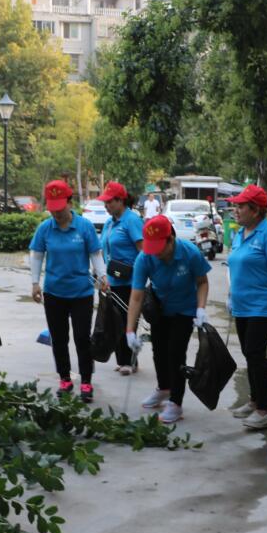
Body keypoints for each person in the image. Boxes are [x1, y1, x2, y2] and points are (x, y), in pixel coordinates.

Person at [124, 215, 211, 424]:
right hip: (160, 309)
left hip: (185, 309)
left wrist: (200, 308)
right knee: (159, 352)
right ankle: (164, 388)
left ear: (171, 239)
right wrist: (130, 331)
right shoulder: (145, 257)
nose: (156, 253)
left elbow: (202, 282)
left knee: (175, 353)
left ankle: (176, 402)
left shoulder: (190, 253)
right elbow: (136, 296)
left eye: (159, 248)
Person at [29, 179, 107, 402]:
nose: (56, 213)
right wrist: (35, 283)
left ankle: (86, 381)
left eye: (60, 208)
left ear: (70, 203)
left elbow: (95, 254)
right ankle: (64, 378)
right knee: (59, 338)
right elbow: (37, 255)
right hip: (54, 293)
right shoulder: (45, 228)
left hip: (81, 293)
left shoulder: (84, 226)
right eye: (52, 209)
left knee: (82, 338)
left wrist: (103, 276)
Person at [226, 185, 267, 430]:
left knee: (255, 353)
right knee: (248, 353)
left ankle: (264, 410)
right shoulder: (239, 233)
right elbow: (236, 266)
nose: (236, 210)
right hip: (241, 305)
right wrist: (231, 295)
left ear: (255, 210)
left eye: (241, 206)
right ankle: (254, 401)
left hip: (262, 305)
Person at [98, 181, 144, 374]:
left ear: (120, 201)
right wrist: (103, 275)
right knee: (114, 321)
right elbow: (103, 250)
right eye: (105, 202)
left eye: (109, 202)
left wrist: (140, 274)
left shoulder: (131, 220)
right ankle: (122, 359)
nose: (106, 205)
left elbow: (143, 251)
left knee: (127, 320)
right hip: (112, 279)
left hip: (131, 281)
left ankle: (130, 361)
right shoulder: (109, 223)